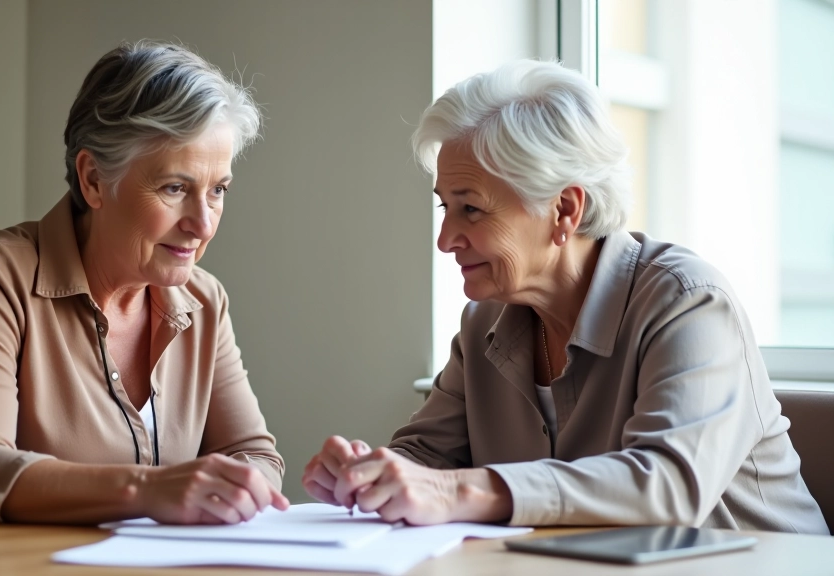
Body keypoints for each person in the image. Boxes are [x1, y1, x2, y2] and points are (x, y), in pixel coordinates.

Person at [302, 60, 828, 534]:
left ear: (564, 211)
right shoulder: (483, 323)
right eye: (445, 208)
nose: (445, 240)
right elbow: (427, 457)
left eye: (472, 209)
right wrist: (368, 475)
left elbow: (667, 484)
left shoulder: (688, 303)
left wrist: (464, 491)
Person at [0, 41, 287, 525]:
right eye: (175, 188)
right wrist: (149, 490)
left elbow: (254, 453)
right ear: (93, 180)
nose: (203, 224)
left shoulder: (204, 300)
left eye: (217, 190)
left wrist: (242, 486)